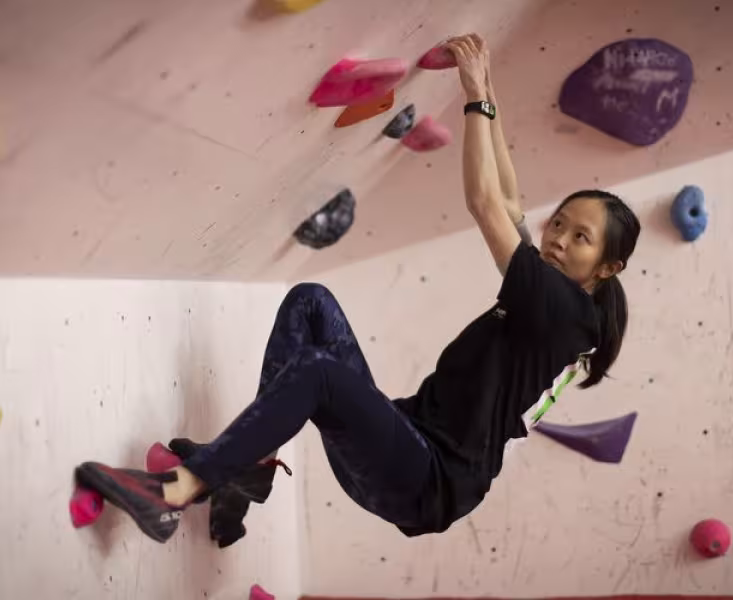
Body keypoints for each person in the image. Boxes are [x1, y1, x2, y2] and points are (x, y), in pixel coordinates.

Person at [74, 33, 641, 544]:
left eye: (581, 237)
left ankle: (176, 491)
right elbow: (512, 201)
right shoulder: (556, 296)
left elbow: (486, 204)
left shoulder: (564, 311)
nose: (559, 238)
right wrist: (485, 86)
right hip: (405, 440)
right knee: (310, 304)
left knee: (318, 370)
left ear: (607, 267)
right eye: (559, 223)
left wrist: (474, 97)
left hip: (426, 479)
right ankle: (250, 471)